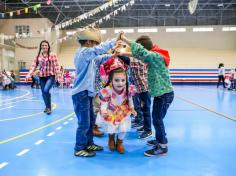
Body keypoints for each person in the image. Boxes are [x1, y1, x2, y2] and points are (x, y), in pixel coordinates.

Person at [119, 34, 174, 157]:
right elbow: (138, 55)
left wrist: (124, 39)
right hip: (161, 95)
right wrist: (122, 53)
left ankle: (162, 146)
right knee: (157, 119)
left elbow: (140, 53)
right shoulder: (153, 56)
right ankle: (160, 140)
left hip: (165, 95)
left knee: (157, 119)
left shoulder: (155, 56)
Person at [72, 27, 120, 157]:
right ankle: (79, 148)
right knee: (84, 123)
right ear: (88, 42)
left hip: (86, 93)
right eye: (94, 43)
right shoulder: (84, 52)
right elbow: (99, 50)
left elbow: (99, 59)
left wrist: (112, 56)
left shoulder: (89, 56)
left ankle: (89, 143)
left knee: (90, 120)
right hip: (81, 93)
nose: (95, 46)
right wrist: (115, 39)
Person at [96, 58, 137, 154]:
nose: (120, 83)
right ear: (111, 79)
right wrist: (104, 111)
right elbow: (104, 102)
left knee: (123, 128)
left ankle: (120, 143)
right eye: (117, 80)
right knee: (111, 127)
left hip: (123, 111)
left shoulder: (128, 89)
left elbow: (130, 99)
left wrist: (132, 108)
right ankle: (111, 139)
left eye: (123, 80)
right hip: (111, 111)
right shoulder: (108, 90)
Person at [26, 40, 61, 115]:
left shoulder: (52, 55)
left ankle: (48, 107)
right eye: (43, 45)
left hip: (50, 76)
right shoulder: (38, 56)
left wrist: (59, 76)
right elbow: (33, 66)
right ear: (41, 47)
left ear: (48, 46)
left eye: (45, 45)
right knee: (43, 92)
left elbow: (57, 66)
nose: (44, 47)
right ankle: (48, 107)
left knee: (45, 90)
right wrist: (29, 75)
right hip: (42, 77)